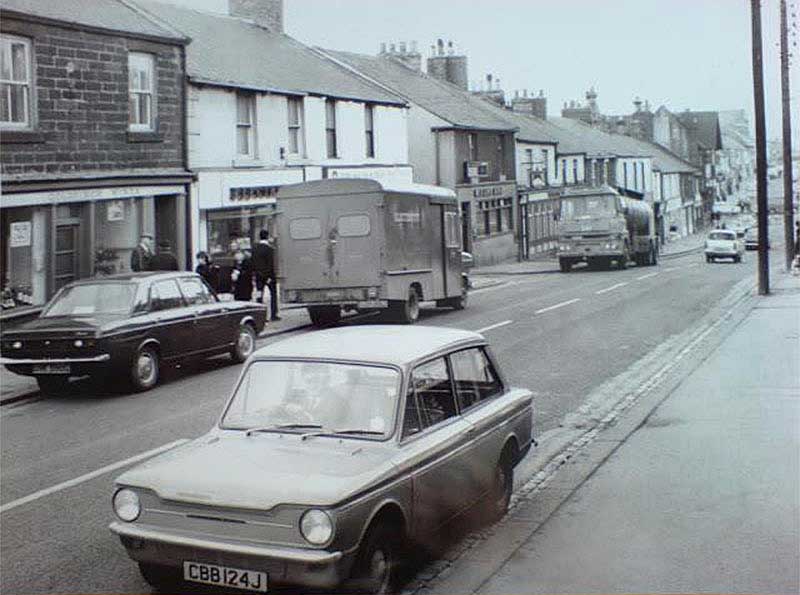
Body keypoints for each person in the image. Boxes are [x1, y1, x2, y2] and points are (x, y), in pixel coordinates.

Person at [251, 229, 280, 321]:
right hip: (269, 277)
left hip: (259, 276)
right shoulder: (269, 249)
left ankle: (259, 316)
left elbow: (253, 263)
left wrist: (257, 273)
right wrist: (269, 277)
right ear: (267, 236)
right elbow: (270, 264)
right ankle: (273, 314)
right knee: (273, 295)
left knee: (259, 295)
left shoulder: (254, 249)